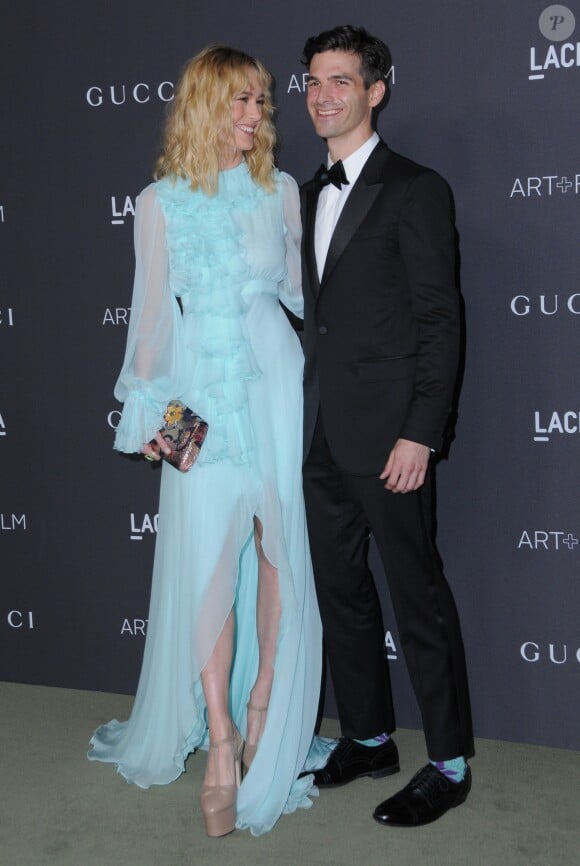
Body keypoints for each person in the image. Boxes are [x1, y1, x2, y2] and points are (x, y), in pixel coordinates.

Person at [88, 44, 322, 838]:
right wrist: (152, 418)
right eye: (240, 102)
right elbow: (151, 321)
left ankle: (265, 712)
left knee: (277, 546)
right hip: (199, 394)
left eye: (261, 102)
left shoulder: (282, 190)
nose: (256, 116)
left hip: (275, 381)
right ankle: (220, 734)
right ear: (203, 107)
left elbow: (301, 295)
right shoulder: (157, 202)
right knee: (207, 560)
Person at [300, 25, 474, 827]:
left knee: (417, 597)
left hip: (393, 440)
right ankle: (369, 736)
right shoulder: (304, 194)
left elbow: (440, 321)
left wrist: (421, 432)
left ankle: (449, 761)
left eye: (340, 81)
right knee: (342, 594)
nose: (322, 95)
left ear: (377, 90)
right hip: (320, 436)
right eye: (312, 81)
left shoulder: (416, 188)